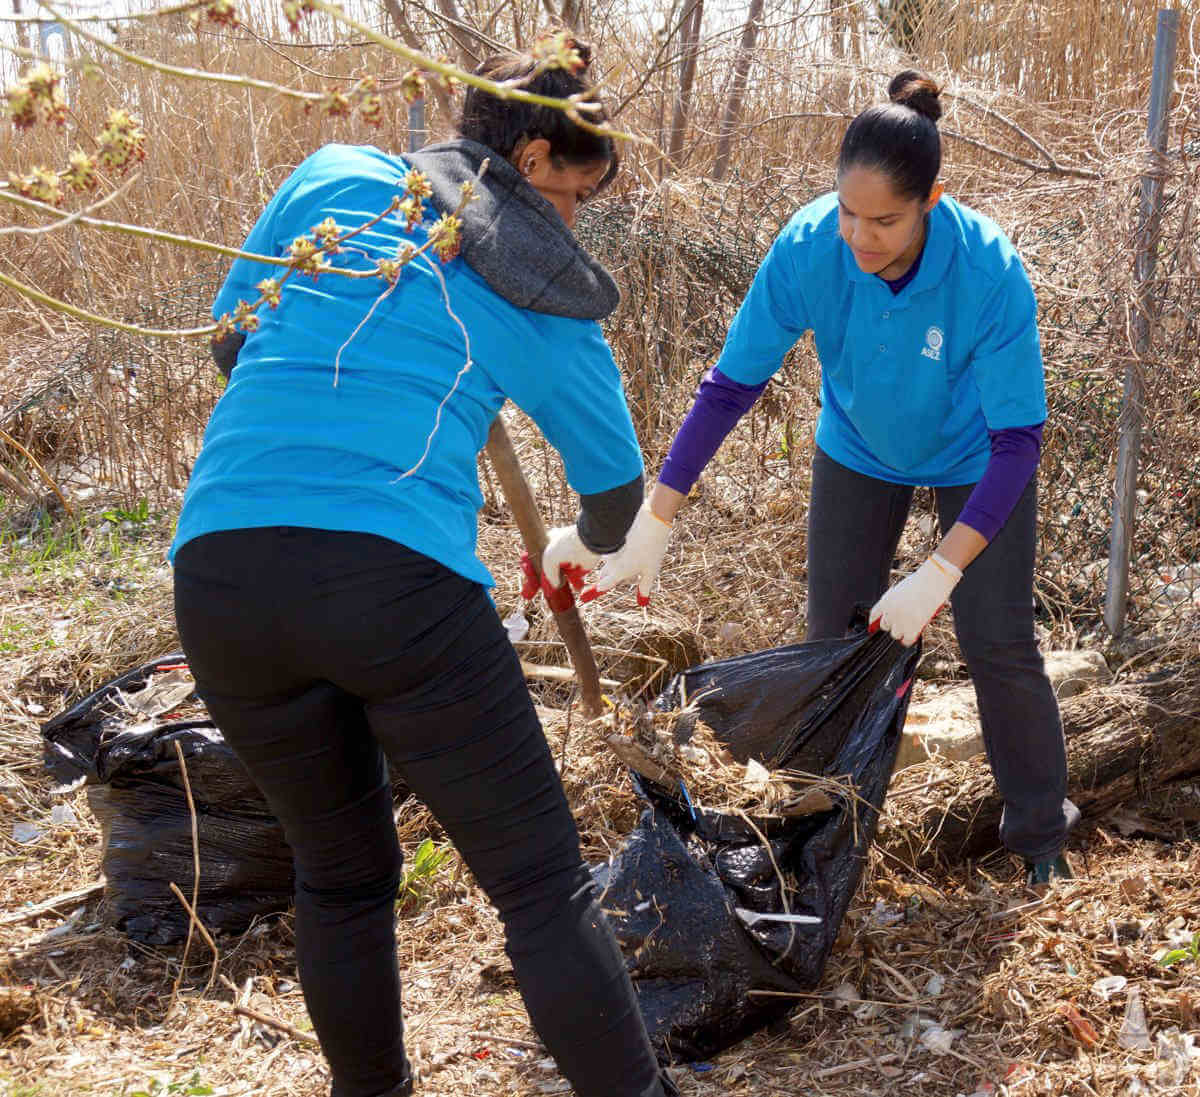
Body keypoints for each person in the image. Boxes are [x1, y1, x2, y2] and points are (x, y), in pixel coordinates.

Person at [171, 43, 677, 1097]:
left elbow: (230, 342)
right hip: (391, 587)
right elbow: (619, 490)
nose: (576, 221)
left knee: (341, 873)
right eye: (578, 194)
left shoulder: (334, 180)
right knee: (540, 885)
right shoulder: (539, 282)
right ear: (536, 158)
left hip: (221, 574)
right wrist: (576, 546)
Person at [583, 70, 1079, 888]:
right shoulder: (810, 247)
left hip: (975, 460)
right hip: (859, 446)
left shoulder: (988, 271)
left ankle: (1040, 839)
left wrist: (941, 570)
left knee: (999, 642)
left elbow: (1020, 442)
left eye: (884, 219)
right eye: (848, 211)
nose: (861, 235)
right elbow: (732, 384)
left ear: (932, 201)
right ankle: (823, 835)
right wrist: (657, 517)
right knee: (831, 640)